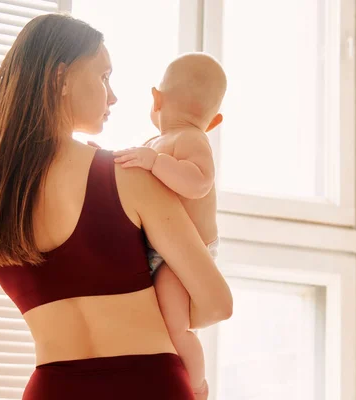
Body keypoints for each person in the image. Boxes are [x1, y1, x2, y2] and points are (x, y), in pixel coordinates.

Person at [0, 13, 232, 400]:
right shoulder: (127, 175)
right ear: (61, 79)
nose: (113, 96)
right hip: (149, 385)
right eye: (104, 77)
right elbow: (217, 304)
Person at [112, 53, 226, 399]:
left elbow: (199, 182)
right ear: (215, 119)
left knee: (176, 325)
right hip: (162, 250)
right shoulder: (152, 145)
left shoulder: (190, 140)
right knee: (153, 321)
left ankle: (196, 387)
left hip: (189, 256)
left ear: (156, 99)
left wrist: (157, 162)